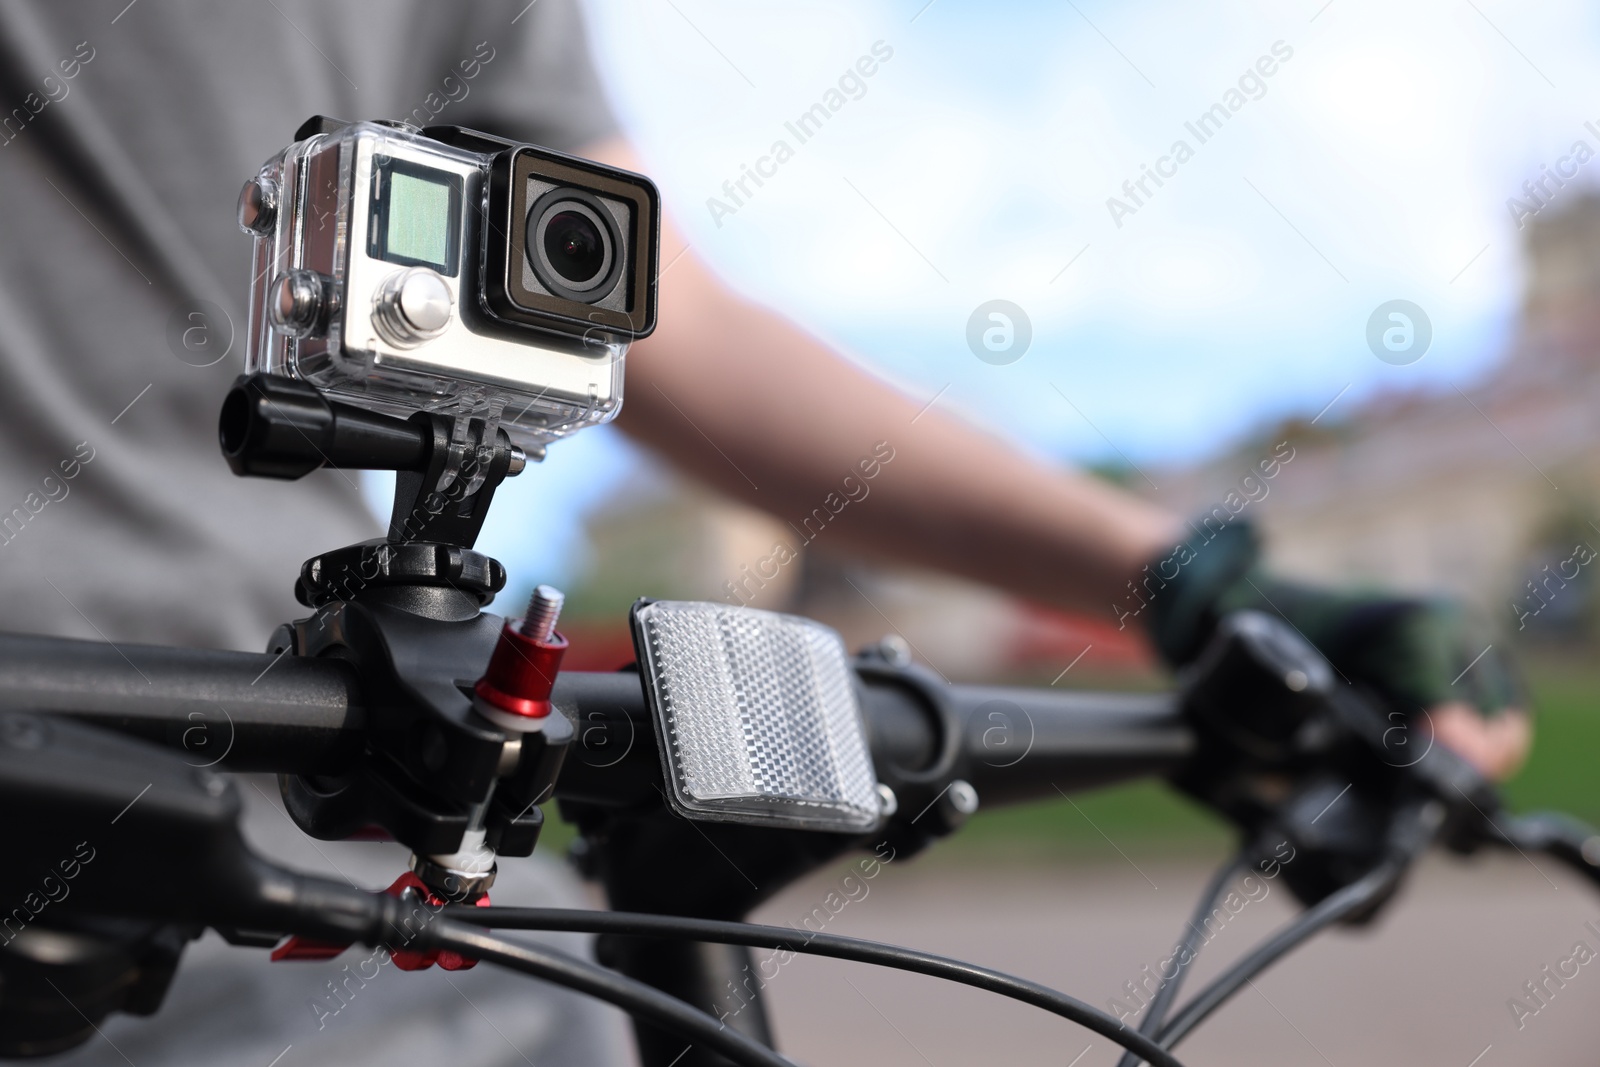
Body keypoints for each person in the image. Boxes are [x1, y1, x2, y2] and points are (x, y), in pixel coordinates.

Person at [0, 1, 1528, 1064]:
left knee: (545, 1002)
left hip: (263, 770)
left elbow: (656, 313)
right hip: (87, 705)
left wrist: (1188, 581)